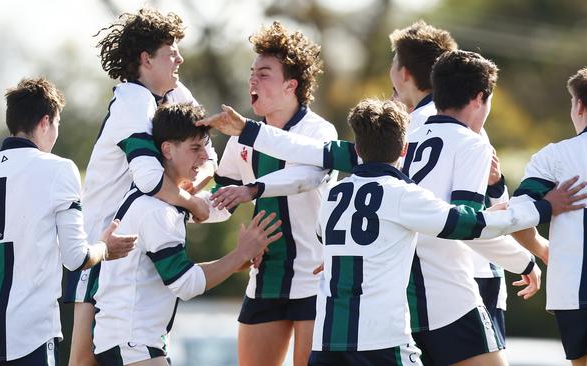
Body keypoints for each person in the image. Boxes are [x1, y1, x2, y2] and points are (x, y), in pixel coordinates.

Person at [201, 50, 552, 365]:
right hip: (440, 300)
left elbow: (313, 151)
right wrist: (528, 242)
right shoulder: (467, 145)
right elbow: (466, 226)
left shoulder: (377, 159)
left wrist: (248, 130)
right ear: (481, 98)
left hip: (367, 317)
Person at [309, 98, 582, 366]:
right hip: (380, 342)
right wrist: (543, 208)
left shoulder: (333, 194)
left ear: (357, 148)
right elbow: (469, 225)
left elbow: (326, 237)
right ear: (405, 149)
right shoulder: (404, 196)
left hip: (326, 340)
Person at [63, 9, 218, 366]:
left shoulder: (177, 92)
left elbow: (210, 158)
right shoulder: (133, 99)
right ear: (146, 59)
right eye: (170, 51)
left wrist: (191, 189)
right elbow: (150, 180)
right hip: (105, 246)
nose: (180, 57)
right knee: (85, 360)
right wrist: (193, 205)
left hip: (138, 242)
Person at [0, 77, 136, 365]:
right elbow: (75, 258)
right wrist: (104, 246)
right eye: (57, 124)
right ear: (45, 121)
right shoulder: (59, 169)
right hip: (31, 334)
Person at [92, 103, 282, 366]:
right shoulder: (157, 211)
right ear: (167, 150)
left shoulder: (159, 201)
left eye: (204, 146)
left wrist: (237, 260)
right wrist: (241, 252)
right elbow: (186, 284)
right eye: (195, 148)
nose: (205, 157)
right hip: (133, 344)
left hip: (129, 342)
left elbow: (214, 209)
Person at [209, 21, 338, 366]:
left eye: (264, 74)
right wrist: (186, 200)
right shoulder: (241, 138)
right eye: (252, 72)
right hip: (266, 275)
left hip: (315, 276)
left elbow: (308, 177)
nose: (253, 80)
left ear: (290, 86)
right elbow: (221, 199)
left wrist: (253, 189)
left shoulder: (319, 130)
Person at [510, 67, 587, 366]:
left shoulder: (555, 157)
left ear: (579, 105)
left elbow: (517, 218)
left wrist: (541, 249)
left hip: (577, 292)